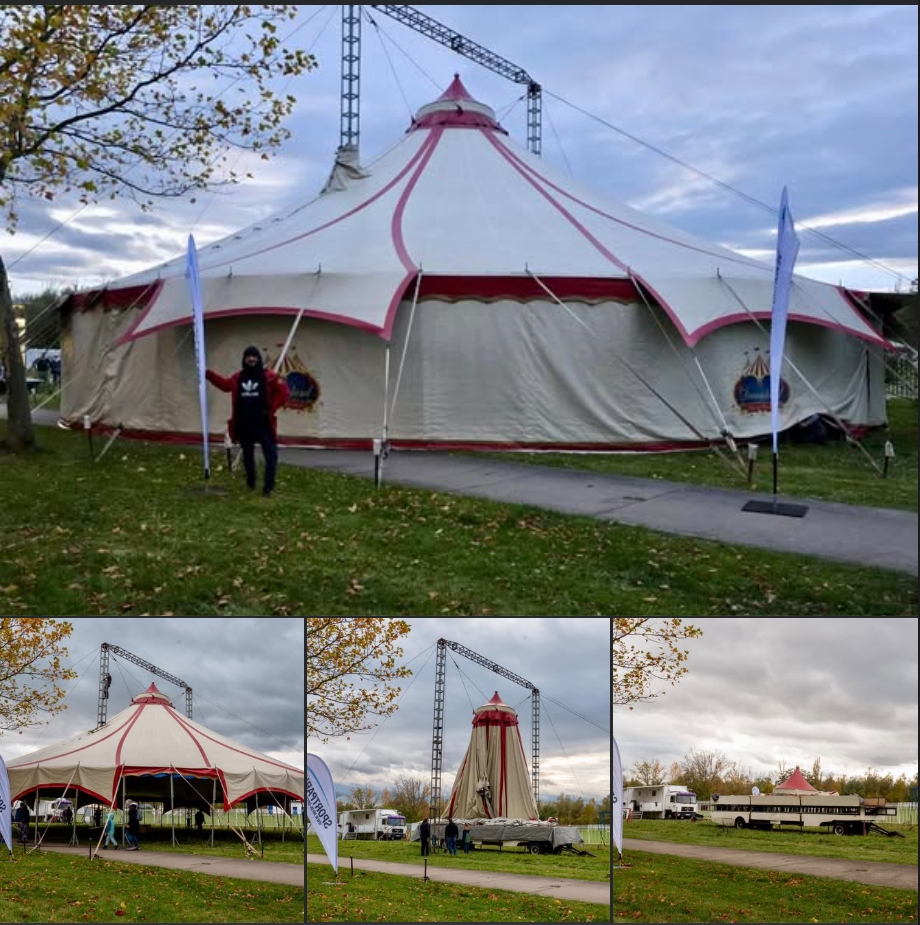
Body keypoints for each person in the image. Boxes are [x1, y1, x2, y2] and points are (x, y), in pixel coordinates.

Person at [206, 346, 291, 497]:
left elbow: (284, 392)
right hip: (244, 423)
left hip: (263, 423)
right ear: (244, 359)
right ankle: (251, 483)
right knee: (247, 455)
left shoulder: (268, 376)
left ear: (258, 358)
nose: (251, 359)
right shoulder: (238, 377)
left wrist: (272, 408)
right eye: (248, 356)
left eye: (254, 356)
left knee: (271, 455)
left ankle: (268, 487)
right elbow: (225, 385)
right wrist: (207, 374)